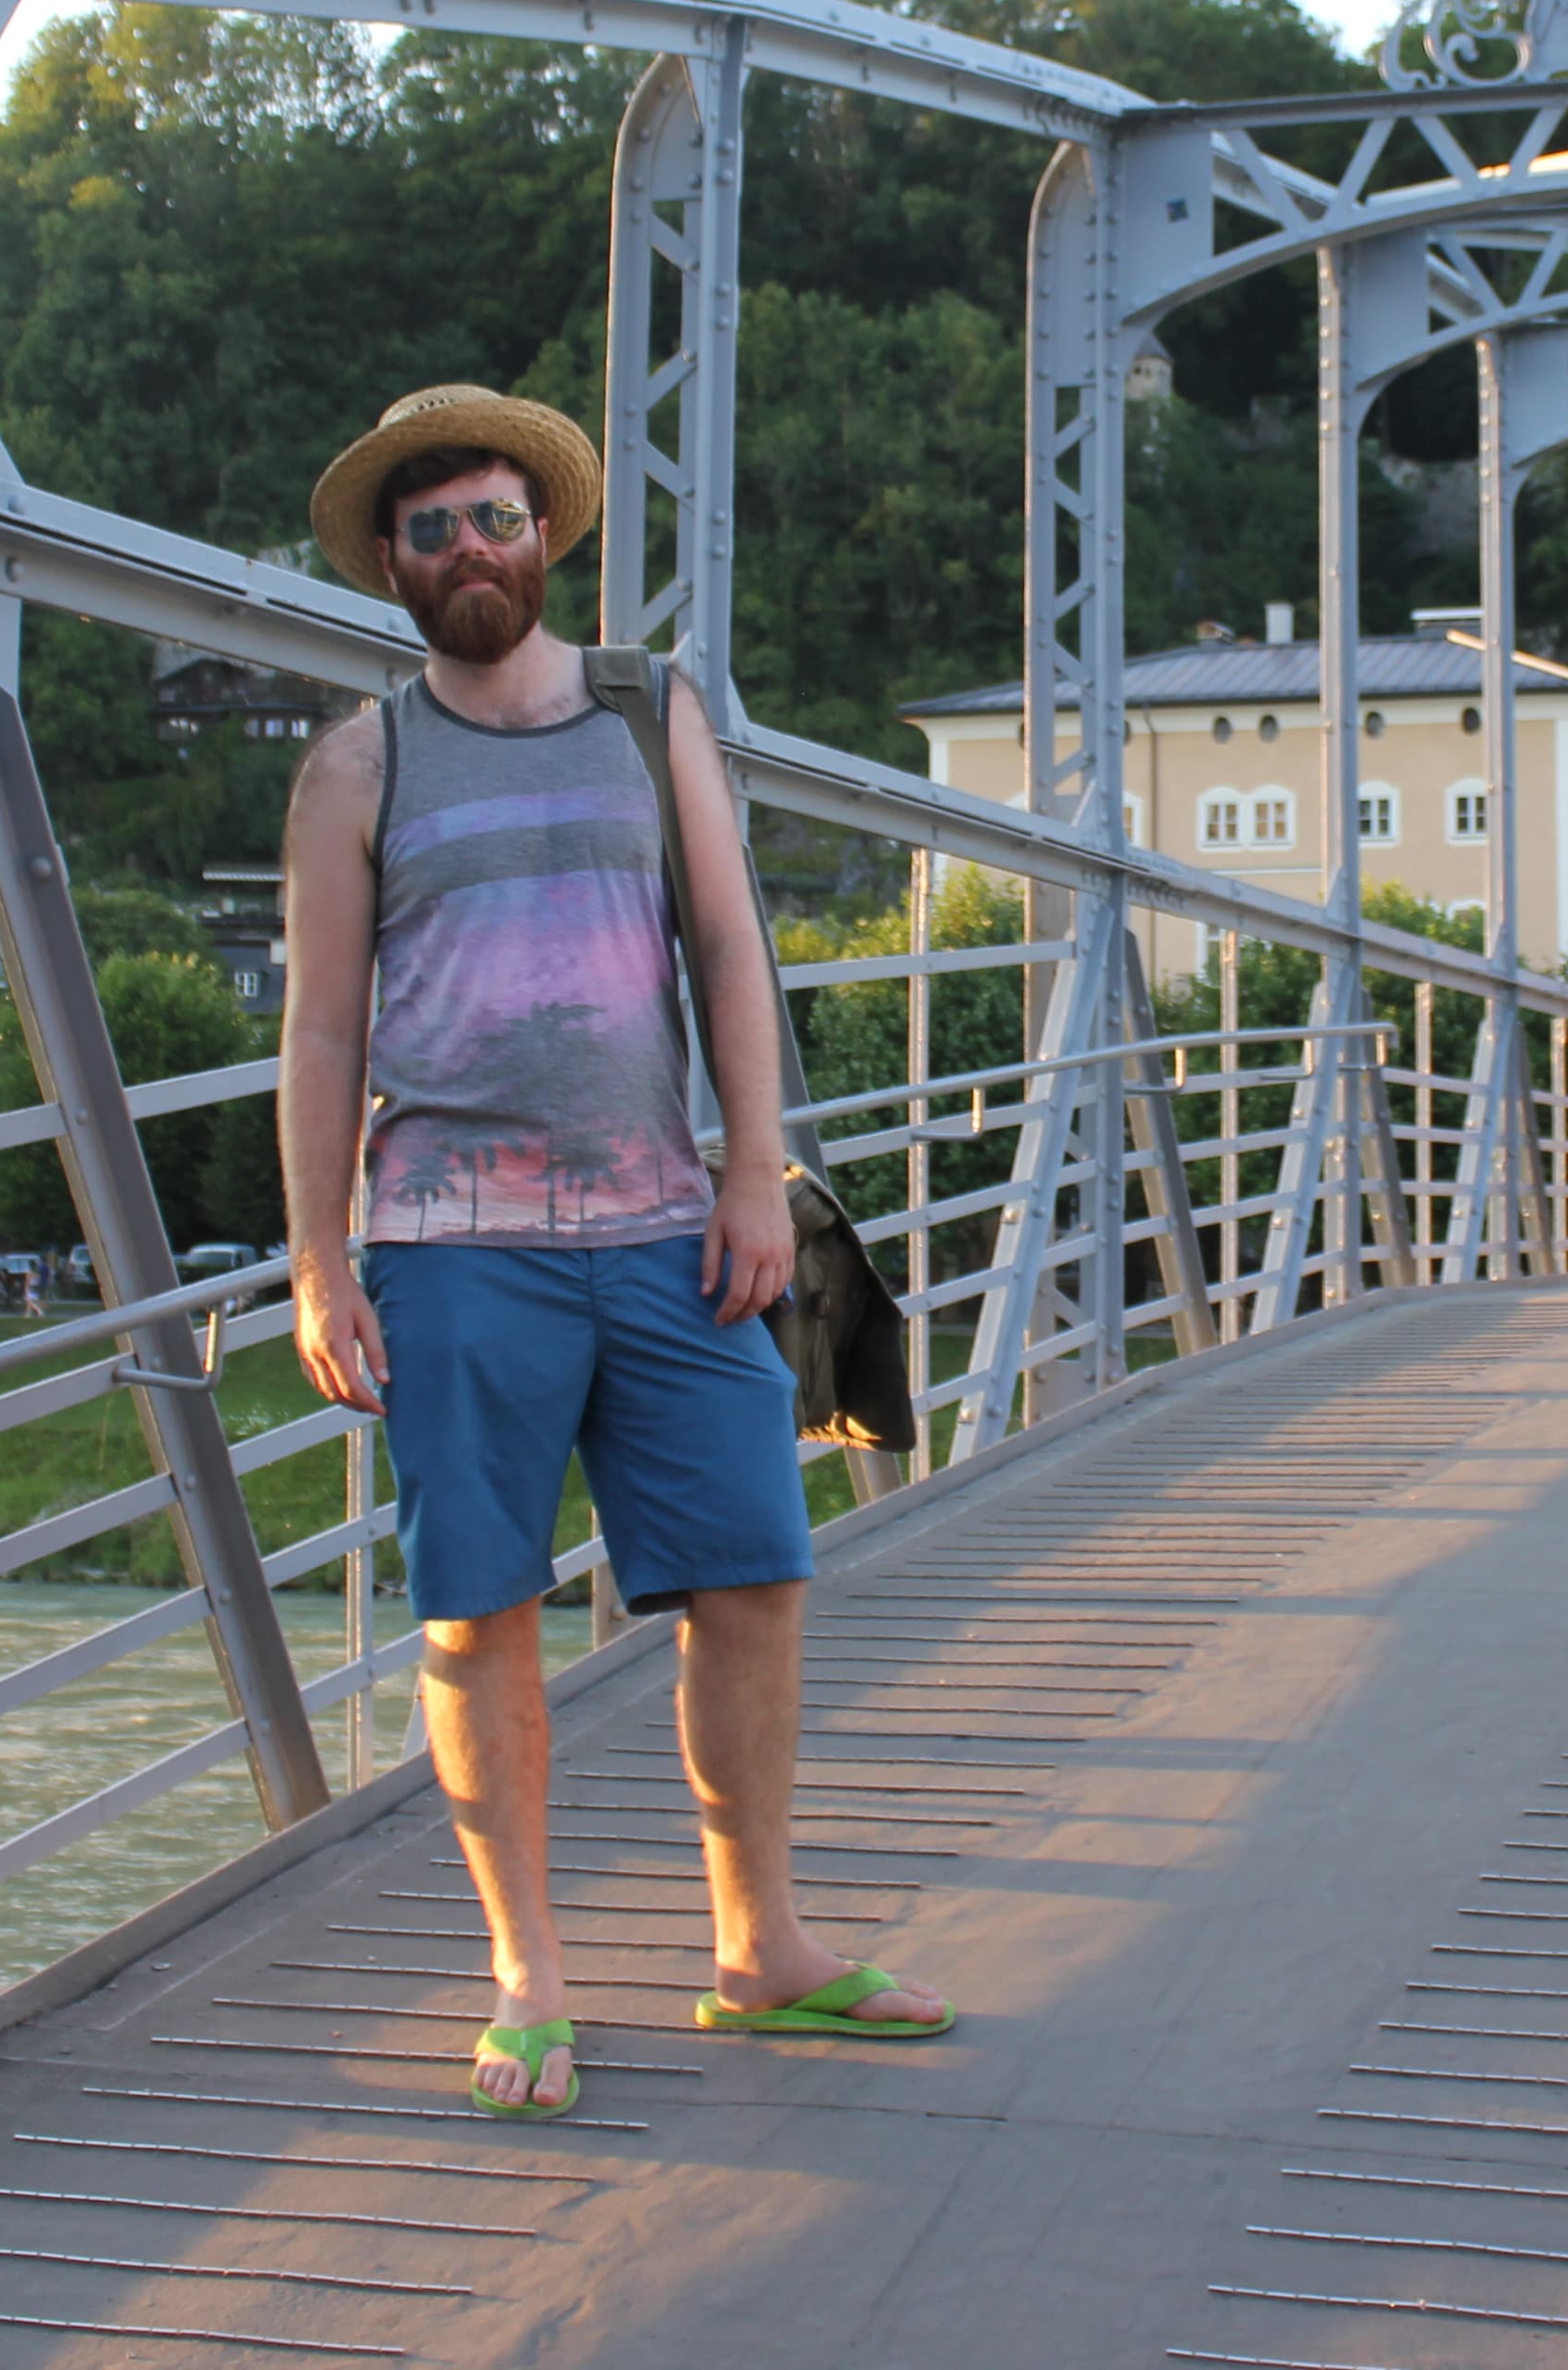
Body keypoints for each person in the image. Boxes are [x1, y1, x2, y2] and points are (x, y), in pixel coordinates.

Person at [278, 384, 947, 2121]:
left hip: (668, 1225)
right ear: (392, 565)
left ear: (544, 536)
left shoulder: (649, 711)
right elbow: (323, 1031)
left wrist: (755, 1176)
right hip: (450, 1245)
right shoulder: (356, 766)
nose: (468, 551)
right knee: (474, 1612)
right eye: (431, 530)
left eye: (494, 519)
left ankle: (760, 1947)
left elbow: (727, 946)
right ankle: (529, 1977)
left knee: (755, 1575)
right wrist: (316, 1261)